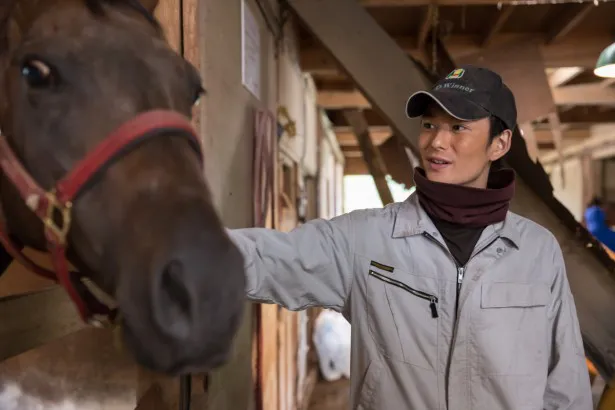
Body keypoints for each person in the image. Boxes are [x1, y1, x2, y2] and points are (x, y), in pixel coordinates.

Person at [228, 65, 592, 409]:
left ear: (499, 143)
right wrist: (179, 240)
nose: (436, 142)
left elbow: (566, 381)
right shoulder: (367, 239)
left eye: (458, 127)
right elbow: (268, 258)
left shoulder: (536, 250)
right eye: (430, 124)